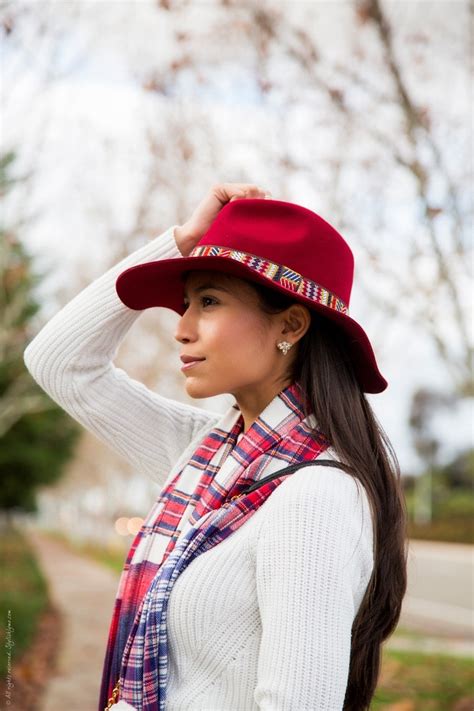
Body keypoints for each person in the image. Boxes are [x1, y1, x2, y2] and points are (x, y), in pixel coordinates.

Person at [23, 183, 408, 711]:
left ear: (291, 324)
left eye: (208, 301)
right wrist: (182, 242)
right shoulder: (206, 461)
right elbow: (58, 363)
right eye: (186, 304)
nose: (180, 329)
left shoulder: (314, 495)